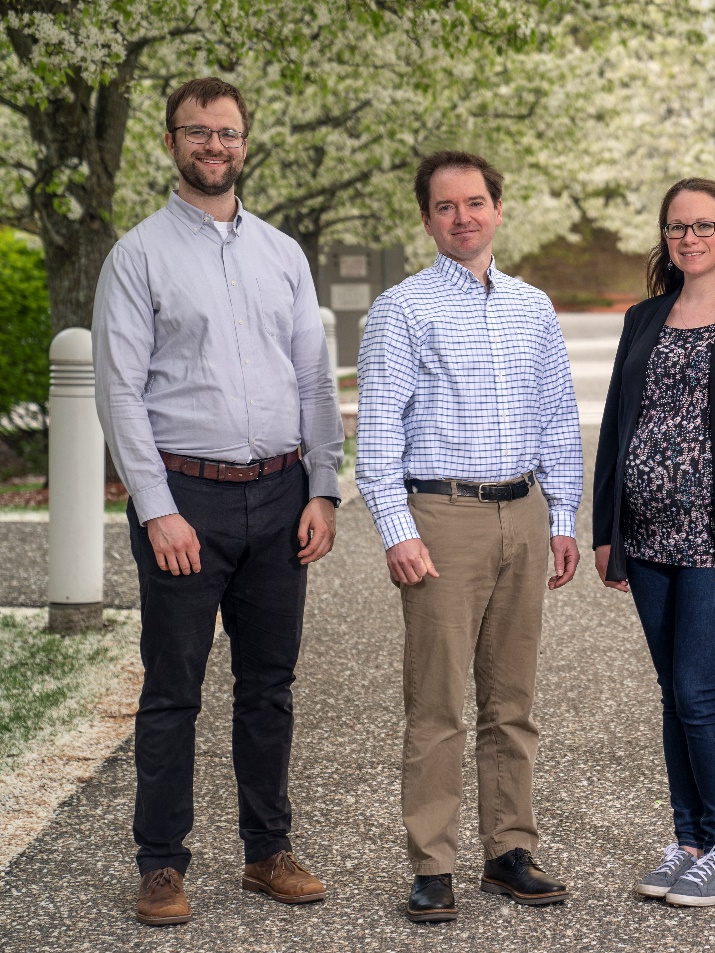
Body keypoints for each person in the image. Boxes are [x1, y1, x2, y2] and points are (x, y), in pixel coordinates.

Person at [93, 77, 343, 926]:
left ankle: (266, 850)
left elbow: (313, 376)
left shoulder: (283, 253)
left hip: (280, 493)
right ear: (171, 143)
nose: (213, 145)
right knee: (174, 688)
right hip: (185, 498)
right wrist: (155, 507)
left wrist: (325, 486)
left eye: (227, 132)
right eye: (197, 132)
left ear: (245, 143)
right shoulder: (138, 256)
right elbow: (121, 392)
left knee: (269, 687)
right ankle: (161, 863)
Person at [355, 150, 583, 924]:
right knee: (438, 702)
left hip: (522, 509)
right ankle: (433, 860)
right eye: (446, 206)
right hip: (441, 518)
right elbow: (378, 431)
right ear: (427, 219)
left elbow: (557, 415)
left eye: (476, 202)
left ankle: (508, 849)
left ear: (497, 209)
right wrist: (396, 528)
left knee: (512, 700)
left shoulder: (532, 307)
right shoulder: (401, 309)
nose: (463, 216)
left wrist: (561, 518)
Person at [592, 178, 715, 908]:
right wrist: (605, 531)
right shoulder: (644, 317)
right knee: (673, 694)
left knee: (700, 691)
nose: (690, 237)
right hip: (644, 540)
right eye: (678, 227)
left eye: (705, 225)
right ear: (665, 238)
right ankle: (686, 843)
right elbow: (617, 424)